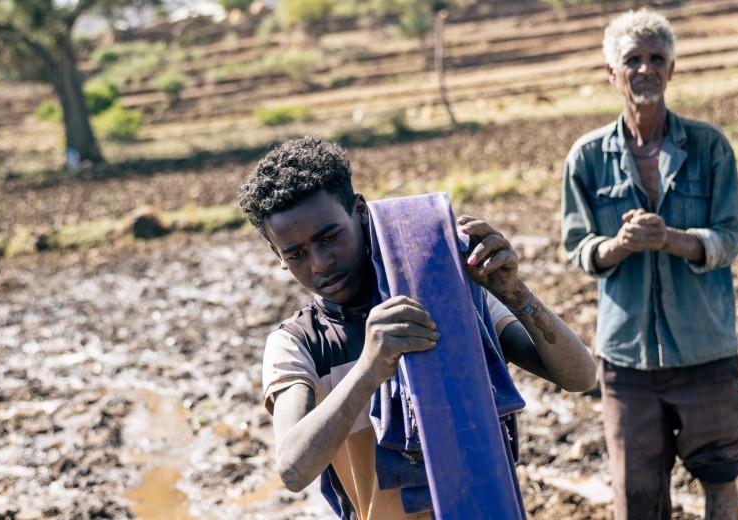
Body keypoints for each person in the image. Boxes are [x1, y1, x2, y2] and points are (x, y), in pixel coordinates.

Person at [239, 135, 596, 519]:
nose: (320, 263)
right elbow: (293, 469)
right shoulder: (299, 344)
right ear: (278, 255)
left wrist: (515, 294)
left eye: (330, 237)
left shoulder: (443, 294)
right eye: (296, 254)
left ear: (360, 211)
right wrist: (367, 371)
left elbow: (580, 376)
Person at [559, 9, 738, 520]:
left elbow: (730, 236)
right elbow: (579, 246)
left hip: (704, 350)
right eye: (633, 60)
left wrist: (672, 239)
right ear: (611, 73)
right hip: (627, 363)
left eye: (656, 59)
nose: (645, 69)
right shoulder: (587, 157)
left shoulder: (708, 147)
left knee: (720, 476)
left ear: (672, 69)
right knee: (637, 498)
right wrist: (619, 245)